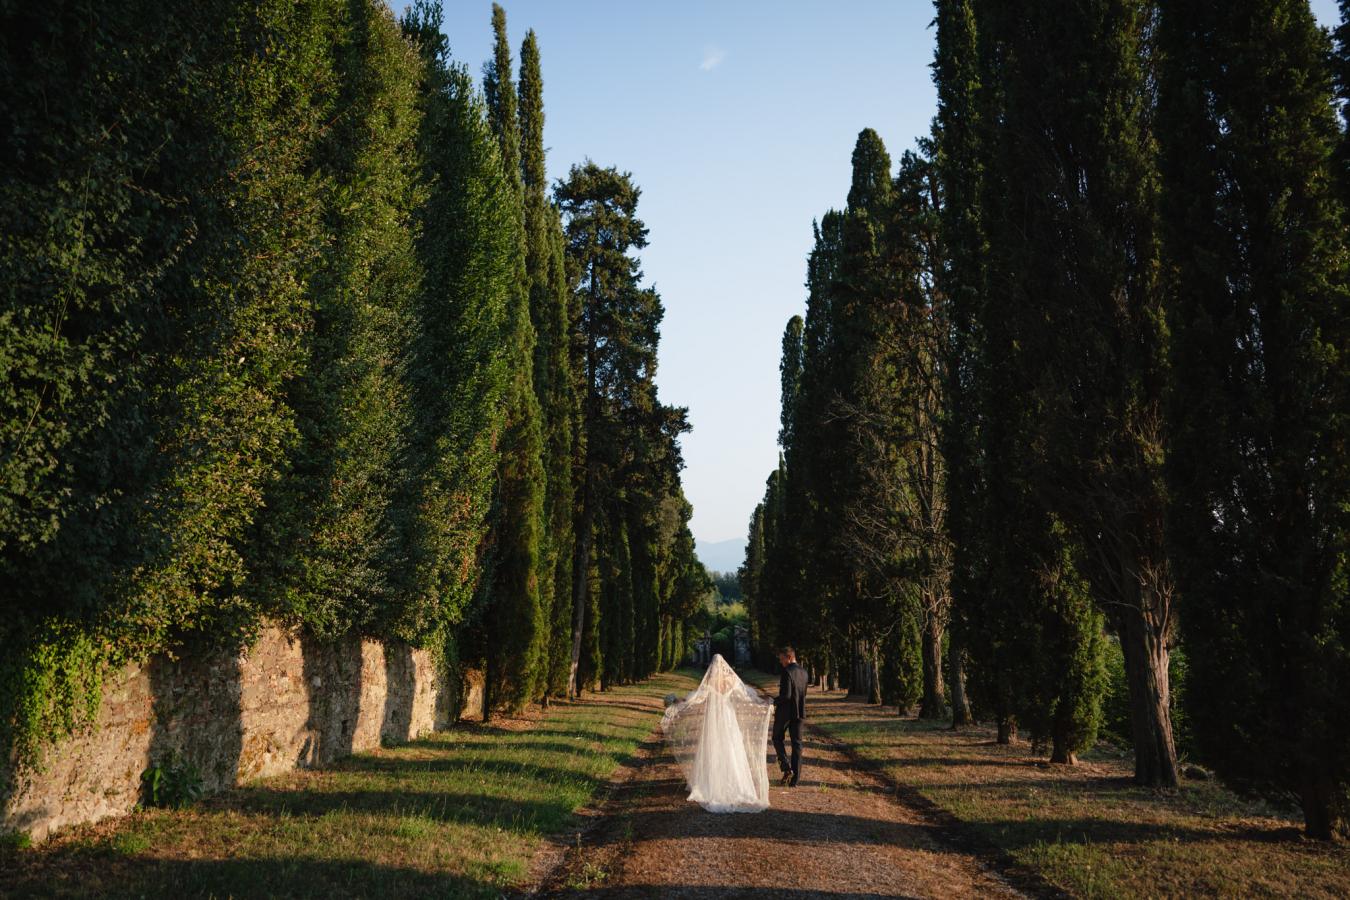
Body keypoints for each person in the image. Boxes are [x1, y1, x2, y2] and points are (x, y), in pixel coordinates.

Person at [660, 654, 773, 812]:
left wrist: (680, 702)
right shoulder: (731, 680)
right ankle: (736, 784)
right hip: (728, 716)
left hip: (713, 717)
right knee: (731, 748)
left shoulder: (710, 681)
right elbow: (746, 696)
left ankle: (711, 784)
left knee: (713, 746)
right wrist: (762, 702)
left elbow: (697, 697)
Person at [773, 646, 807, 786]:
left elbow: (786, 696)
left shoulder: (787, 672)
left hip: (785, 713)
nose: (781, 663)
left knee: (776, 738)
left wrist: (773, 701)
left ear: (789, 657)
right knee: (797, 745)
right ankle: (795, 780)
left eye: (782, 660)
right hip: (799, 712)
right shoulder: (804, 672)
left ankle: (786, 768)